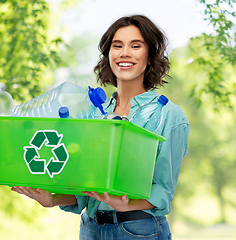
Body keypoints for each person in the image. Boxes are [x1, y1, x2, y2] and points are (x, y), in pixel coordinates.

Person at [11, 14, 189, 240]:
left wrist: (125, 204)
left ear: (150, 55)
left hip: (137, 230)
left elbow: (163, 190)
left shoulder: (168, 115)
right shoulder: (93, 113)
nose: (124, 53)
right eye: (117, 46)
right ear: (108, 54)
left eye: (135, 45)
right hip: (91, 228)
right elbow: (86, 189)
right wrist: (53, 199)